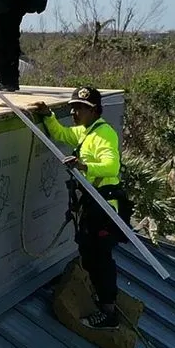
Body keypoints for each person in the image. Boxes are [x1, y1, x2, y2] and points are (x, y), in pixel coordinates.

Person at [32, 86, 130, 331]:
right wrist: (47, 116)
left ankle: (108, 311)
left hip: (104, 205)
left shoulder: (104, 134)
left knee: (100, 258)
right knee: (89, 253)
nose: (75, 112)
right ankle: (102, 298)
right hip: (92, 202)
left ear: (94, 110)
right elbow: (61, 134)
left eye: (81, 108)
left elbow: (111, 167)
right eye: (73, 107)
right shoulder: (86, 132)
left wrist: (84, 166)